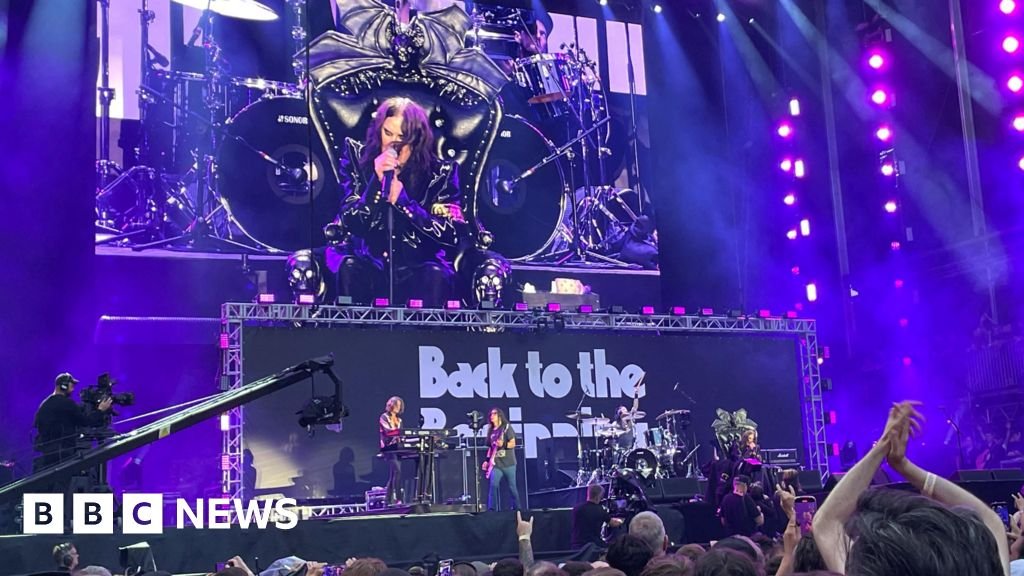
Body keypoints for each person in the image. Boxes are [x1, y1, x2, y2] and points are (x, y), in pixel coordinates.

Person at [326, 97, 463, 308]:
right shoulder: (356, 157)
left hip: (416, 263)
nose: (392, 144)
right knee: (348, 267)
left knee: (435, 274)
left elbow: (449, 235)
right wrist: (376, 183)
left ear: (416, 139)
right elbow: (352, 221)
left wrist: (404, 203)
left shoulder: (440, 173)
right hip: (367, 259)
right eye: (387, 133)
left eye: (402, 137)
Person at [33, 373, 112, 471]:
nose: (73, 389)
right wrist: (100, 410)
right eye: (72, 386)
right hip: (63, 453)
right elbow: (86, 421)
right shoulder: (67, 403)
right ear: (64, 386)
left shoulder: (45, 403)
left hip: (47, 453)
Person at [483, 408, 519, 511]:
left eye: (494, 414)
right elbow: (490, 448)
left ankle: (517, 509)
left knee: (512, 487)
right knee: (493, 485)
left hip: (509, 463)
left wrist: (503, 444)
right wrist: (486, 460)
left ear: (499, 415)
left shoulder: (506, 428)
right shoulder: (491, 431)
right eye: (491, 414)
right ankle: (492, 510)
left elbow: (513, 443)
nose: (492, 416)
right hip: (496, 464)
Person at [571, 483, 623, 549]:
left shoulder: (577, 508)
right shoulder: (600, 510)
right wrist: (621, 520)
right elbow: (613, 523)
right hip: (593, 546)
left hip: (576, 546)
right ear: (599, 496)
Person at [379, 396, 404, 505]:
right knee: (397, 471)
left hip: (397, 449)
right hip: (388, 449)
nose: (398, 407)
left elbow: (401, 434)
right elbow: (388, 432)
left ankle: (387, 500)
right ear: (391, 405)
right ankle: (398, 498)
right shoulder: (384, 417)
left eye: (399, 405)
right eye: (396, 405)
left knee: (394, 474)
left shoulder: (399, 420)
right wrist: (399, 433)